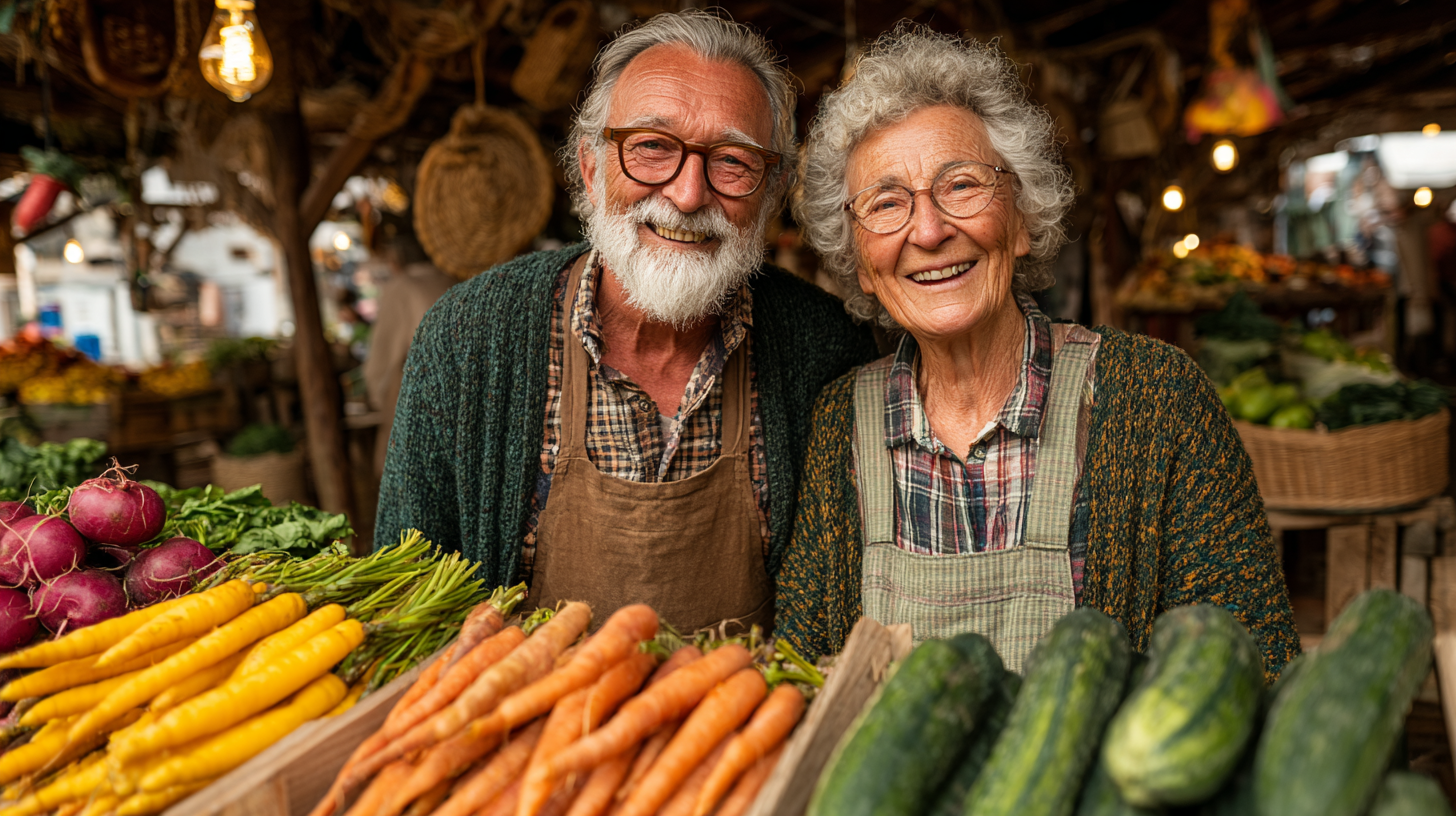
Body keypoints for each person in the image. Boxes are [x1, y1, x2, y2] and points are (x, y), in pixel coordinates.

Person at [774, 29, 1299, 679]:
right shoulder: (837, 427)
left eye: (961, 185)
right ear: (859, 262)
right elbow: (801, 681)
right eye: (886, 203)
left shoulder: (1158, 401)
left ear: (1021, 218)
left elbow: (1253, 669)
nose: (929, 231)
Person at [375, 11, 877, 633]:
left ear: (770, 195)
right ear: (591, 169)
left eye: (732, 161)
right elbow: (407, 611)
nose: (687, 195)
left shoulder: (825, 347)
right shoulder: (466, 337)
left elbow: (829, 620)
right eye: (652, 147)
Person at [362, 231, 457, 477]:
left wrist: (376, 391)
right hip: (460, 389)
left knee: (411, 474)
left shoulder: (402, 286)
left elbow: (384, 350)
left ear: (396, 259)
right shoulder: (452, 279)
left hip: (418, 391)